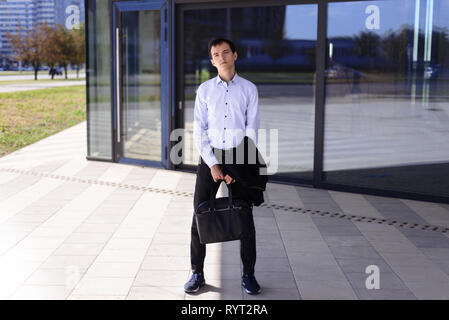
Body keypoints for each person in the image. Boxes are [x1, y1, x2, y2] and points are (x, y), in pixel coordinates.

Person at [184, 38, 263, 295]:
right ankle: (197, 273)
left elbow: (252, 129)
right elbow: (199, 130)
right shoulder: (205, 91)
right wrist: (214, 164)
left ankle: (248, 275)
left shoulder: (249, 89)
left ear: (235, 55)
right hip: (210, 158)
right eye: (216, 54)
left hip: (240, 158)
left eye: (225, 52)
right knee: (200, 214)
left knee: (245, 217)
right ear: (212, 60)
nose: (221, 57)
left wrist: (238, 166)